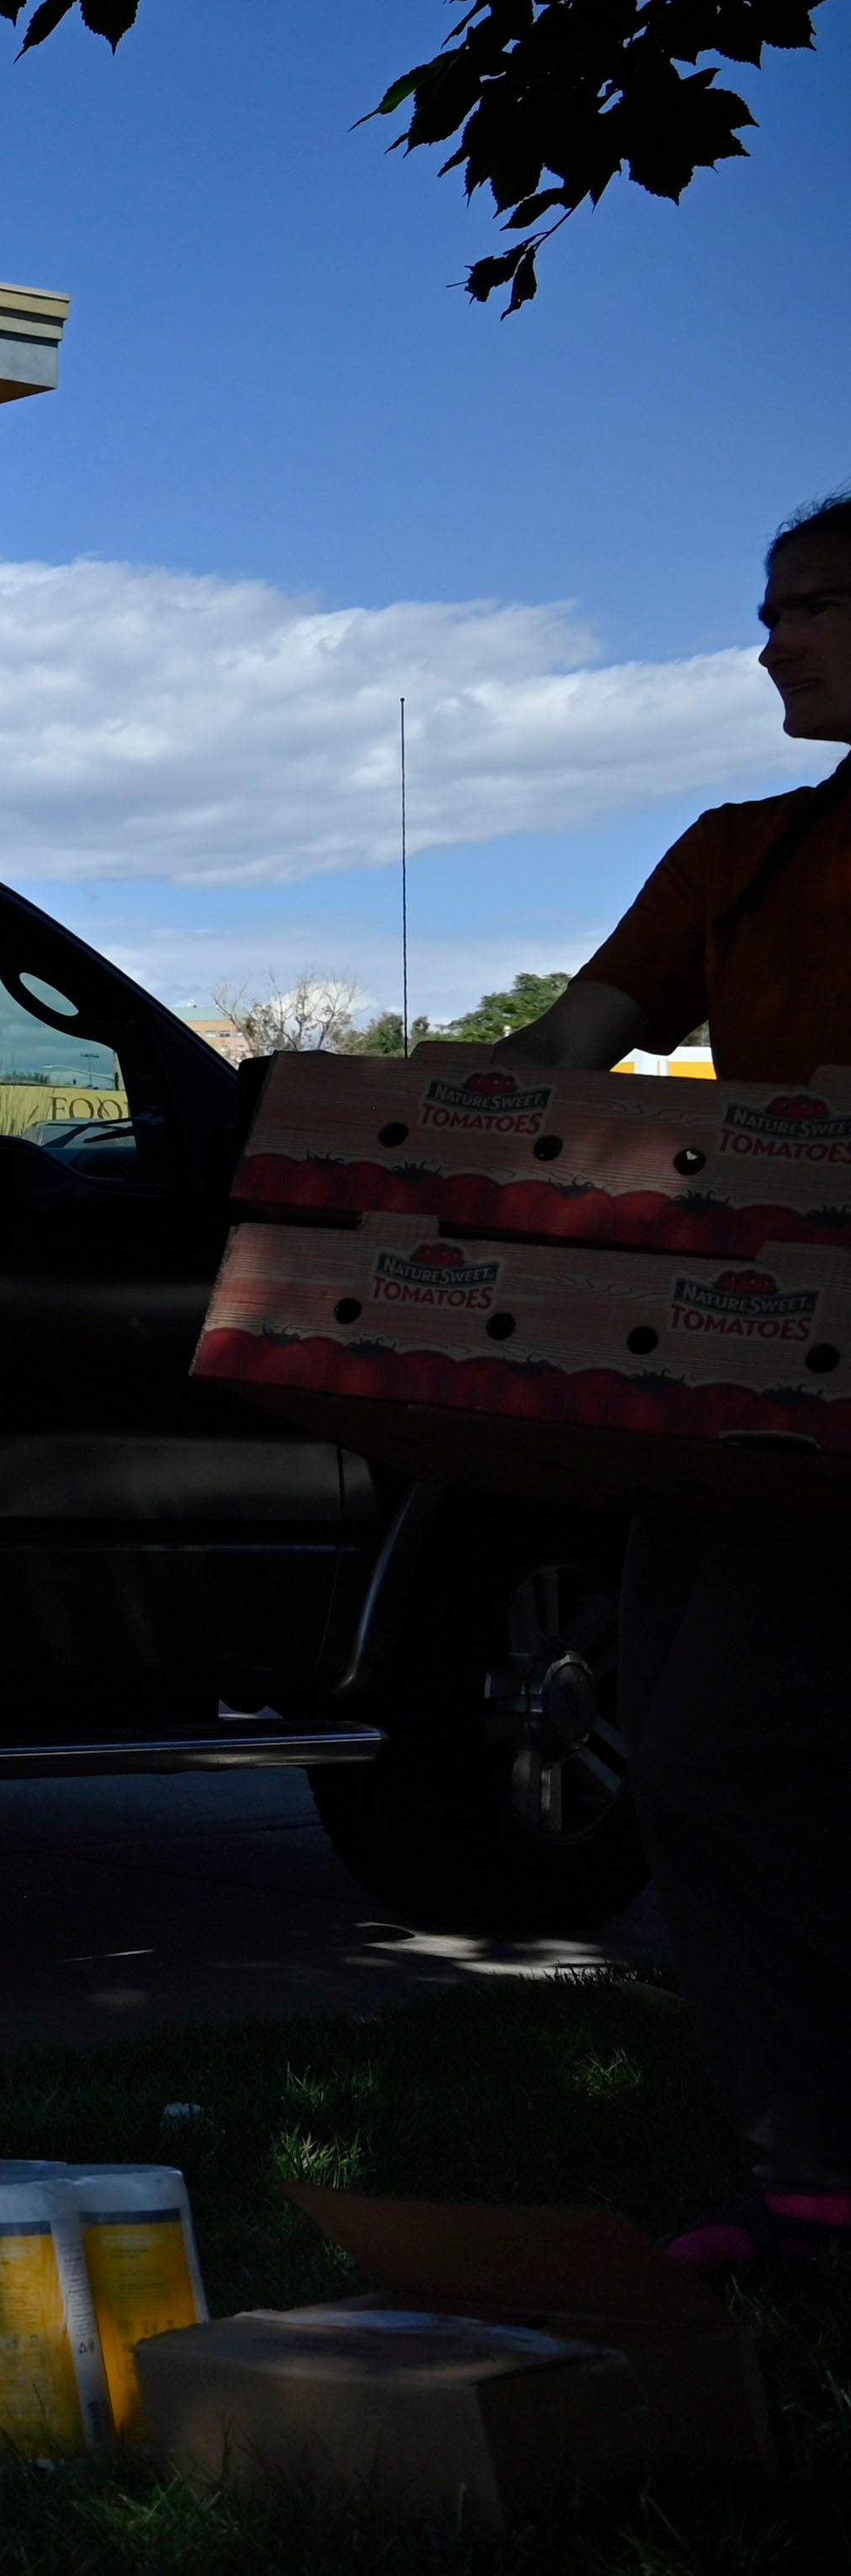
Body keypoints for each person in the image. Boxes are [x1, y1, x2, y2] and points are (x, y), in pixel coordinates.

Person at [499, 491, 851, 2270]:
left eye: (799, 606)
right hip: (733, 1370)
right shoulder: (740, 852)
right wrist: (411, 1102)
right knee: (677, 1737)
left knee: (726, 1746)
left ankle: (818, 2159)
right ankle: (802, 2171)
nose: (767, 639)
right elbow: (571, 1039)